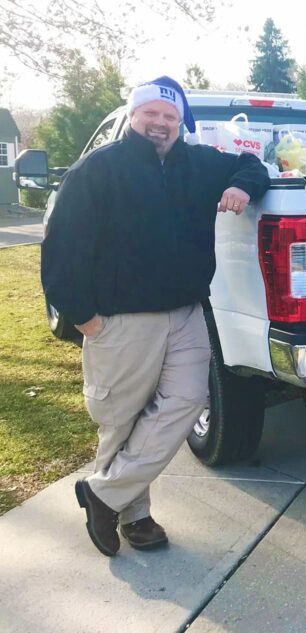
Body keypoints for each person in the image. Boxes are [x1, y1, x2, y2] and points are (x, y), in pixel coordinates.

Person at [41, 76, 270, 557]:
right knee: (121, 421)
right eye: (152, 114)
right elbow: (61, 250)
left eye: (170, 117)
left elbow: (252, 164)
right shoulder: (96, 171)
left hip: (186, 313)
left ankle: (101, 494)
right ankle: (135, 516)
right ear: (134, 115)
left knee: (187, 401)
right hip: (120, 320)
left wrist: (240, 187)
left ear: (180, 123)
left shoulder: (200, 163)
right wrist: (85, 319)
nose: (161, 124)